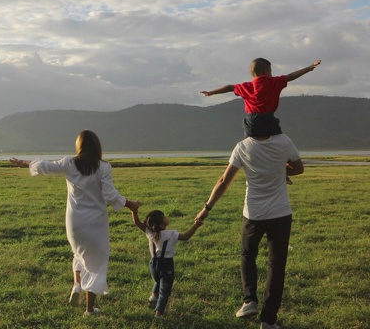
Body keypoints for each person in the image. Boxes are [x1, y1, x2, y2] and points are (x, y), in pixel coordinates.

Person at [9, 130, 140, 316]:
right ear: (97, 146)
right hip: (95, 224)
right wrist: (131, 204)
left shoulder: (69, 163)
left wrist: (23, 162)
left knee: (78, 254)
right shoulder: (103, 167)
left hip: (74, 222)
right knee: (96, 263)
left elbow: (45, 166)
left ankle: (77, 284)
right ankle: (89, 310)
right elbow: (110, 196)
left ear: (78, 146)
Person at [195, 133, 304, 329]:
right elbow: (299, 168)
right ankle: (268, 321)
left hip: (253, 214)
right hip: (280, 214)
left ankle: (249, 301)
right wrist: (278, 171)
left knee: (247, 255)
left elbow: (223, 181)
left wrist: (207, 208)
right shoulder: (284, 141)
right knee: (276, 265)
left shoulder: (243, 146)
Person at [201, 58, 319, 184]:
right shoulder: (273, 82)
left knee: (249, 147)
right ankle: (282, 172)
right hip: (269, 120)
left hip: (252, 122)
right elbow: (291, 76)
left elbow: (230, 87)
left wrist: (212, 92)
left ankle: (254, 167)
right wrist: (309, 68)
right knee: (278, 145)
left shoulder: (246, 86)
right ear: (266, 71)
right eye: (271, 71)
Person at [129, 208, 202, 319]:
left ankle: (153, 296)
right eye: (164, 216)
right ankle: (158, 313)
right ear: (162, 223)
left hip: (153, 264)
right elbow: (186, 236)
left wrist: (134, 211)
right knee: (165, 289)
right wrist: (196, 225)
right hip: (166, 264)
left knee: (158, 279)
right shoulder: (171, 234)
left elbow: (137, 222)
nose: (167, 217)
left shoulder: (150, 233)